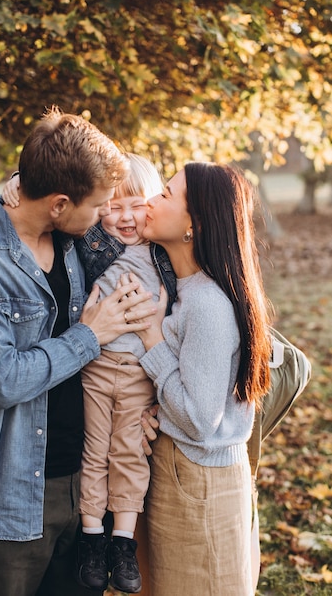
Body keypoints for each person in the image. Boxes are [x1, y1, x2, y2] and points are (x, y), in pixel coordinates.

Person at [0, 107, 157, 596]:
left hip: (86, 484)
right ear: (58, 204)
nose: (104, 217)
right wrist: (88, 335)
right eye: (97, 207)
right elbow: (3, 380)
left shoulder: (75, 242)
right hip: (10, 494)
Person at [3, 154, 174, 595]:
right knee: (96, 453)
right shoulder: (94, 242)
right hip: (94, 372)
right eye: (112, 206)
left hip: (140, 376)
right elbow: (57, 200)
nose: (124, 216)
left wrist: (162, 390)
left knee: (128, 454)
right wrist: (19, 180)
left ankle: (121, 542)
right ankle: (94, 540)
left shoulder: (167, 252)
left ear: (154, 203)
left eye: (136, 204)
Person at [126, 162, 273, 596]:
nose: (151, 202)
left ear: (195, 224)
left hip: (198, 481)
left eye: (166, 196)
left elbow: (196, 418)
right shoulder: (187, 288)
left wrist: (153, 341)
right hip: (185, 472)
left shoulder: (208, 303)